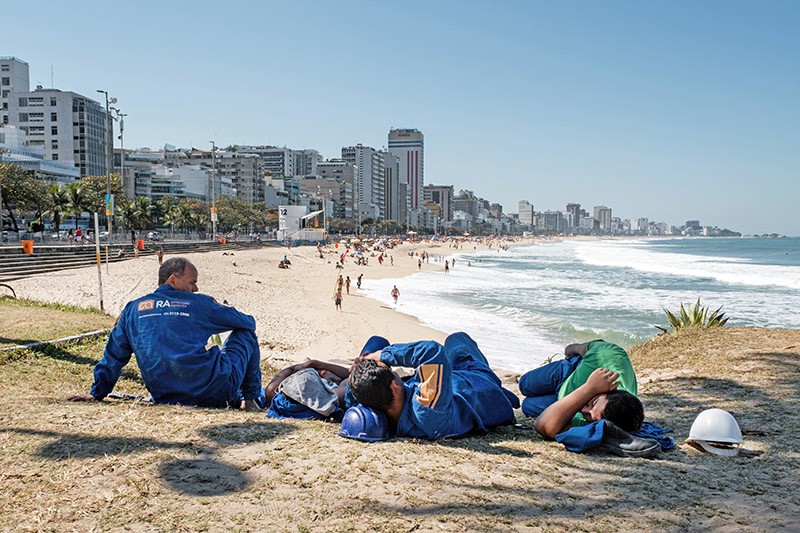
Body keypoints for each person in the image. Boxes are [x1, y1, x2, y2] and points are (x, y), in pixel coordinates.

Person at [67, 257, 263, 411]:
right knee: (246, 334)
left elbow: (114, 355)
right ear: (173, 280)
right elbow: (248, 322)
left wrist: (97, 393)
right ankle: (250, 400)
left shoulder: (132, 309)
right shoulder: (199, 303)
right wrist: (215, 307)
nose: (195, 288)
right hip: (216, 391)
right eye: (192, 282)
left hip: (165, 394)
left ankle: (245, 397)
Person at [349, 332, 520, 439]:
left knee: (377, 340)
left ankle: (366, 365)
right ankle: (504, 392)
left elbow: (352, 390)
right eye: (392, 371)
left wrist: (359, 370)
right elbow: (432, 351)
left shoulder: (369, 398)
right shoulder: (426, 410)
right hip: (478, 382)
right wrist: (383, 355)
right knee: (457, 339)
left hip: (451, 381)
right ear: (394, 387)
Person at [520, 340, 659, 456]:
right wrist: (571, 350)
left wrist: (590, 389)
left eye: (588, 416)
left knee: (527, 405)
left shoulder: (595, 416)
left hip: (563, 399)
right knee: (524, 384)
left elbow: (543, 426)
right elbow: (575, 348)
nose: (584, 410)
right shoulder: (611, 356)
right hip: (568, 371)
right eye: (594, 402)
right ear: (611, 390)